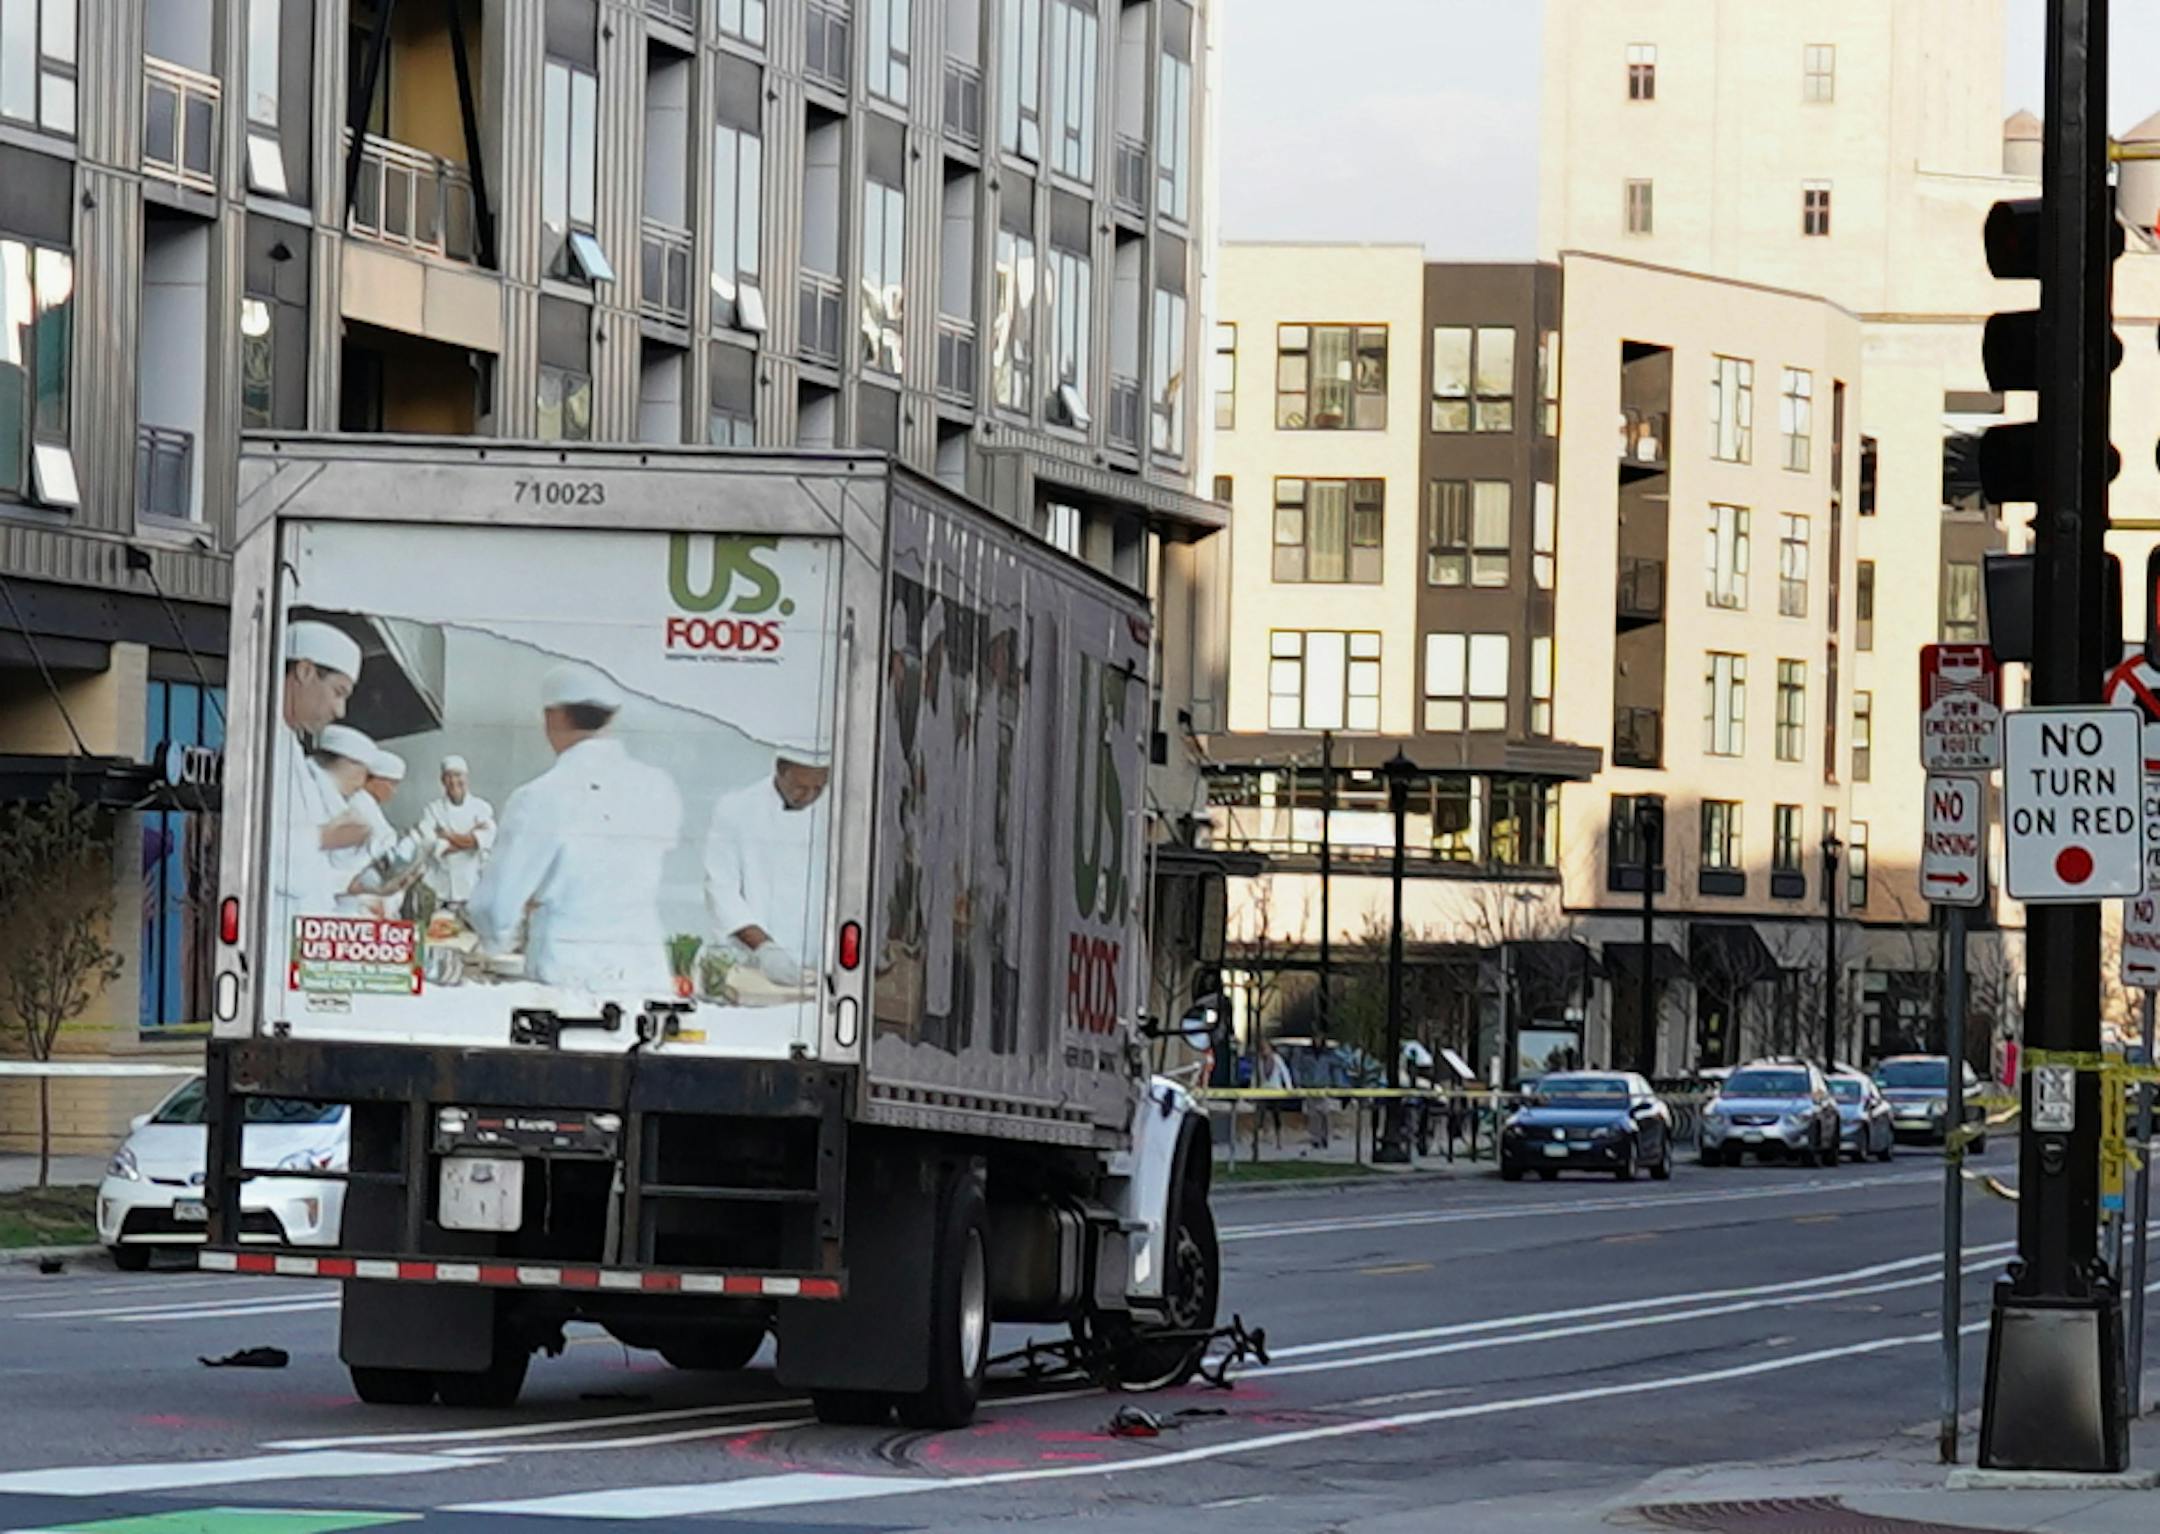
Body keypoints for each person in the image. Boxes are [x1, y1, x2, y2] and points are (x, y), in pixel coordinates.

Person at [467, 663, 683, 993]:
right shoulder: (658, 786)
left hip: (569, 979)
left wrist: (496, 939)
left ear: (554, 717)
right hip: (646, 974)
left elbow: (495, 909)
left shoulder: (537, 797)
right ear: (611, 718)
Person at [704, 749, 832, 989]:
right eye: (801, 787)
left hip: (819, 972)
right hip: (753, 968)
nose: (810, 796)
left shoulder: (837, 811)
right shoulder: (736, 809)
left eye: (819, 788)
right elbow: (721, 889)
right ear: (781, 771)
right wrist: (765, 950)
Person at [275, 621, 364, 924]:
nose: (340, 711)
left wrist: (352, 885)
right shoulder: (258, 744)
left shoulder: (291, 747)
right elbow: (245, 850)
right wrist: (324, 837)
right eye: (338, 692)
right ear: (304, 671)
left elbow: (308, 874)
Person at [315, 725, 383, 915]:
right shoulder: (312, 793)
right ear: (349, 763)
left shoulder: (336, 798)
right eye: (363, 773)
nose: (362, 783)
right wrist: (352, 884)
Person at [416, 755, 495, 904]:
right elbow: (429, 844)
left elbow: (482, 841)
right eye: (448, 777)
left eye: (458, 775)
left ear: (467, 778)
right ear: (442, 781)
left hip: (472, 887)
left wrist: (447, 836)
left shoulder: (482, 808)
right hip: (439, 889)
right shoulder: (432, 809)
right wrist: (469, 837)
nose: (453, 781)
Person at [1254, 1038, 1294, 1148]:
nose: (1263, 1050)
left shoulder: (1276, 1059)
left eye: (1265, 1047)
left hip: (1276, 1091)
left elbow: (1284, 1072)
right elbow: (1256, 1075)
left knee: (1277, 1115)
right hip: (1263, 1091)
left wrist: (1289, 1087)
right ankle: (1258, 1140)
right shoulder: (1259, 1060)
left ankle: (1279, 1140)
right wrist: (1252, 1089)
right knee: (1260, 1114)